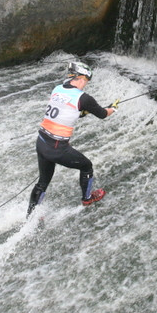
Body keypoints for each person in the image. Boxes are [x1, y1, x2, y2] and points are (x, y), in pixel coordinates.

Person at [28, 62, 117, 217]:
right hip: (57, 148)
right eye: (86, 81)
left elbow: (66, 109)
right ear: (81, 78)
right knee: (87, 166)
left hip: (42, 142)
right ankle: (87, 199)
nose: (85, 85)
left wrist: (83, 112)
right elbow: (103, 114)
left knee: (42, 182)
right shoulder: (84, 98)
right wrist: (114, 108)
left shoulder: (57, 89)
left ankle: (31, 215)